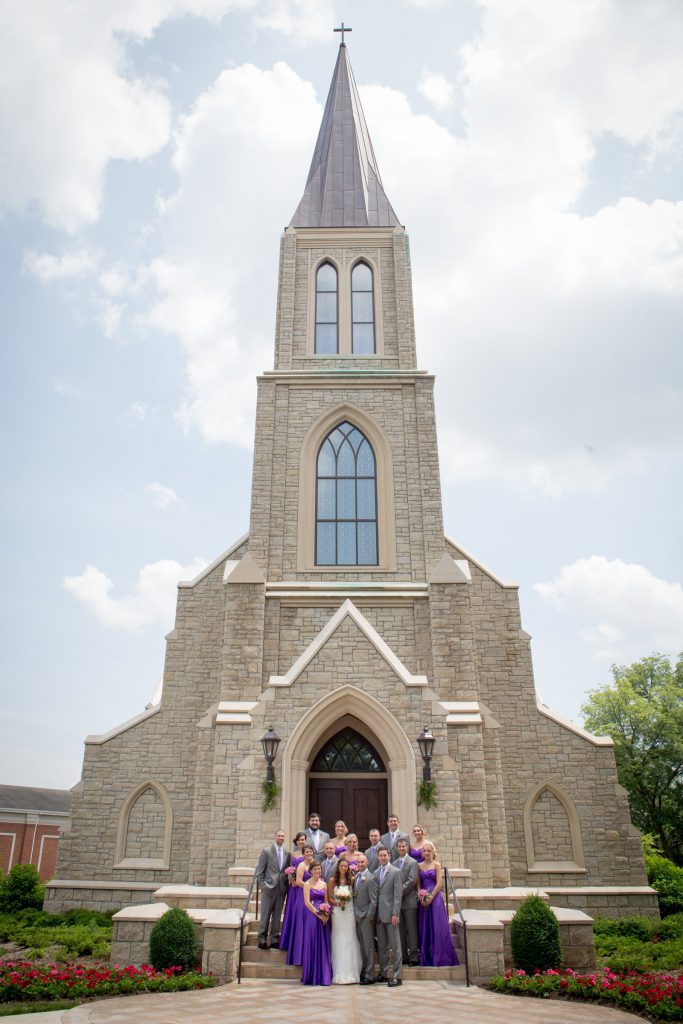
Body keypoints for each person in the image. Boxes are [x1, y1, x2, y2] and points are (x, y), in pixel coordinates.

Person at [417, 841, 459, 967]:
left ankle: (440, 956)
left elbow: (439, 883)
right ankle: (426, 955)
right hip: (423, 898)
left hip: (435, 898)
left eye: (429, 851)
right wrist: (421, 895)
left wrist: (431, 897)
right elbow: (418, 883)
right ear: (422, 853)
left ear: (432, 852)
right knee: (426, 927)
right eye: (424, 851)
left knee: (437, 926)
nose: (426, 853)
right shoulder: (418, 865)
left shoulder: (436, 865)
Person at [327, 856, 361, 984]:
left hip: (349, 912)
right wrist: (337, 903)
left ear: (348, 868)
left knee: (350, 937)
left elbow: (355, 896)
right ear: (338, 867)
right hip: (337, 913)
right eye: (341, 866)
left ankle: (351, 972)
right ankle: (339, 973)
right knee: (338, 938)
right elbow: (329, 898)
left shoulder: (352, 880)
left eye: (346, 866)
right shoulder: (332, 881)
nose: (343, 868)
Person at [255, 828, 290, 950]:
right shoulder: (267, 851)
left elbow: (285, 871)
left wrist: (286, 886)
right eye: (279, 836)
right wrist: (263, 886)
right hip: (269, 888)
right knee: (265, 915)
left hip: (281, 889)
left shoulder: (287, 853)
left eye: (283, 836)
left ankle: (275, 939)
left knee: (277, 915)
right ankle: (262, 939)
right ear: (275, 837)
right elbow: (260, 871)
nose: (281, 838)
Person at [374, 845, 403, 985]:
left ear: (389, 856)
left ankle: (397, 975)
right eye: (380, 856)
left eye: (385, 855)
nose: (383, 858)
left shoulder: (396, 872)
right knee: (382, 946)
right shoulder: (375, 872)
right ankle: (385, 973)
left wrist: (395, 913)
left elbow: (398, 895)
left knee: (395, 946)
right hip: (379, 915)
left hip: (391, 915)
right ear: (377, 857)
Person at [301, 861, 332, 985]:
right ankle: (312, 975)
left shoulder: (324, 884)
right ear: (311, 871)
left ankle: (323, 974)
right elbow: (307, 902)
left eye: (319, 869)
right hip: (312, 916)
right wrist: (317, 913)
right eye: (315, 869)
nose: (318, 871)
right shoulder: (307, 884)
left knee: (323, 943)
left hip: (323, 916)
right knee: (313, 942)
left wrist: (326, 914)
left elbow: (326, 901)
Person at [285, 844, 315, 966]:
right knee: (301, 923)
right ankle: (299, 955)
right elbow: (298, 881)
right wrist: (310, 888)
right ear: (303, 853)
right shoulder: (302, 865)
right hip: (302, 896)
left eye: (310, 852)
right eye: (307, 852)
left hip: (313, 896)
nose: (309, 854)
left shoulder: (315, 863)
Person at [352, 853, 377, 985]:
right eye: (358, 862)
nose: (360, 864)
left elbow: (373, 901)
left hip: (366, 917)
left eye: (362, 862)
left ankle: (370, 974)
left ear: (367, 863)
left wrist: (369, 916)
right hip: (357, 916)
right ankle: (364, 971)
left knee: (368, 947)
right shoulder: (356, 876)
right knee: (362, 946)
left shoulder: (371, 878)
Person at [279, 831, 307, 952]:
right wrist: (291, 879)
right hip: (294, 888)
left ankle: (301, 941)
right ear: (296, 841)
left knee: (302, 914)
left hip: (303, 888)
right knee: (292, 912)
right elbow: (289, 869)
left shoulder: (308, 854)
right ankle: (289, 941)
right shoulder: (292, 854)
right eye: (300, 839)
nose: (301, 841)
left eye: (303, 839)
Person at [395, 838, 419, 966]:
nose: (401, 848)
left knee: (411, 930)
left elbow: (412, 880)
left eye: (403, 846)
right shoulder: (394, 864)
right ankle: (404, 956)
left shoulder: (413, 862)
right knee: (400, 930)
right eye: (399, 847)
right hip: (398, 904)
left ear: (407, 847)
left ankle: (414, 956)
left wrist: (399, 891)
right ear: (397, 848)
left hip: (409, 901)